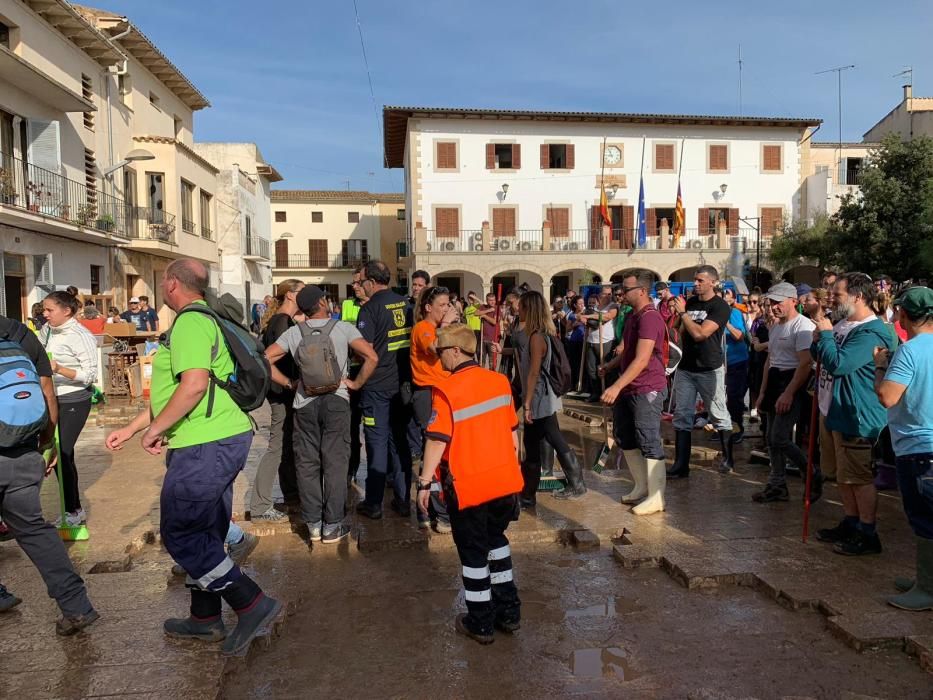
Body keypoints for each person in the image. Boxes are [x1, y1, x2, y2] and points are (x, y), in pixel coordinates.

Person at [105, 259, 280, 656]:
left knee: (182, 534)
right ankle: (204, 618)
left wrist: (154, 431)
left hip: (206, 442)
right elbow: (175, 391)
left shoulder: (190, 323)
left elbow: (194, 387)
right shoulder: (206, 320)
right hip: (217, 436)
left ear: (171, 284)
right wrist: (134, 428)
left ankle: (251, 603)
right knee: (206, 532)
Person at [415, 324, 523, 644]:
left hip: (470, 486)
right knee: (497, 542)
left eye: (441, 353)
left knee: (474, 555)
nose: (439, 360)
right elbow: (512, 433)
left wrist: (424, 483)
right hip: (504, 483)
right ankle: (509, 611)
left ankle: (481, 622)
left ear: (455, 351)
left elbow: (436, 441)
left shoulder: (447, 390)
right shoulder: (500, 382)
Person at [0, 314, 99, 633]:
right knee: (34, 529)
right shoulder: (20, 334)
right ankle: (77, 606)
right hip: (23, 448)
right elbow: (46, 393)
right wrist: (47, 444)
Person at [266, 285, 378, 543]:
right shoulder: (343, 328)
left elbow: (264, 360)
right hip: (337, 401)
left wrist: (288, 383)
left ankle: (313, 525)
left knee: (307, 463)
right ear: (323, 303)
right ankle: (333, 526)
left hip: (304, 403)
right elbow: (371, 357)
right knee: (335, 463)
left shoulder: (294, 333)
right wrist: (356, 383)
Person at [813, 273, 896, 555]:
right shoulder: (843, 324)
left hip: (856, 412)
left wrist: (824, 334)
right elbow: (821, 355)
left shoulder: (872, 332)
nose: (832, 299)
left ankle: (868, 531)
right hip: (833, 407)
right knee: (841, 475)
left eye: (838, 294)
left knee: (858, 476)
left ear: (858, 297)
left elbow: (840, 364)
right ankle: (850, 521)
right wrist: (820, 338)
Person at [494, 291, 585, 505]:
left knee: (552, 438)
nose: (519, 310)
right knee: (533, 443)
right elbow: (522, 355)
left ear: (530, 309)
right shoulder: (535, 334)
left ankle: (576, 484)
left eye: (522, 307)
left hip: (539, 397)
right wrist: (504, 349)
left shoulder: (537, 337)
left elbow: (534, 372)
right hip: (537, 396)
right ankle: (528, 494)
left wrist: (526, 405)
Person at [874, 286, 933, 610]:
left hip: (918, 448)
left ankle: (927, 588)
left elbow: (887, 396)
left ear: (906, 315)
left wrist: (881, 365)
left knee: (923, 519)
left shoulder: (910, 351)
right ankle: (924, 579)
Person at [600, 272, 669, 515]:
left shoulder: (650, 318)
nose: (621, 293)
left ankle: (657, 496)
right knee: (625, 436)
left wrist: (616, 385)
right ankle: (641, 486)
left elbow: (642, 358)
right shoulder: (631, 316)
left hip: (647, 387)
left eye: (626, 289)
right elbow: (629, 351)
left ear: (641, 291)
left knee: (648, 439)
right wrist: (611, 366)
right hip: (630, 386)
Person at [354, 261, 414, 520]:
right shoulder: (405, 304)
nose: (359, 285)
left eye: (361, 281)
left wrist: (356, 381)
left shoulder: (370, 309)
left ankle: (374, 503)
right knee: (399, 442)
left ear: (371, 282)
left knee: (376, 444)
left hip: (377, 386)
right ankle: (403, 500)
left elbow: (363, 350)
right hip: (402, 384)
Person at [667, 266, 734, 478]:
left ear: (712, 282)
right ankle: (680, 465)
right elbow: (678, 330)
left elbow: (700, 334)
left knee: (718, 414)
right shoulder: (692, 302)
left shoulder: (720, 307)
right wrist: (677, 315)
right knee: (682, 415)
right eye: (695, 280)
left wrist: (684, 313)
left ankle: (728, 459)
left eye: (700, 280)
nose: (695, 284)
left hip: (709, 368)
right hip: (686, 367)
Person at [751, 283, 816, 502]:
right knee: (771, 438)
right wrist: (762, 392)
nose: (774, 307)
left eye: (779, 302)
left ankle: (810, 472)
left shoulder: (803, 326)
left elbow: (805, 363)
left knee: (780, 436)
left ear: (793, 301)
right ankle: (777, 483)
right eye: (772, 302)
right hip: (775, 380)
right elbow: (771, 359)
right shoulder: (775, 326)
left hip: (792, 381)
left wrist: (788, 393)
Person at [39, 291, 98, 527]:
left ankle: (74, 511)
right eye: (44, 309)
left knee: (62, 452)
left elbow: (90, 375)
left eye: (49, 310)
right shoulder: (47, 331)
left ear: (67, 311)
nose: (45, 315)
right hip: (51, 397)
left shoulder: (80, 335)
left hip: (74, 399)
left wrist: (60, 369)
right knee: (54, 451)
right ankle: (71, 507)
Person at [250, 279, 304, 522]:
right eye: (302, 291)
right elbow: (267, 360)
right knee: (276, 447)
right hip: (282, 395)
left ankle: (291, 494)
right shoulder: (281, 323)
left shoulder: (284, 321)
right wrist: (289, 383)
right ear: (291, 296)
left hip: (285, 394)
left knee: (286, 445)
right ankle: (260, 506)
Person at [409, 286, 459, 531]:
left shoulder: (439, 327)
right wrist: (446, 325)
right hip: (427, 393)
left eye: (448, 304)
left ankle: (432, 509)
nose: (446, 309)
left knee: (443, 452)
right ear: (428, 307)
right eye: (441, 305)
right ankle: (433, 511)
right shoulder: (423, 329)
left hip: (444, 391)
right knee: (433, 451)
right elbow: (434, 348)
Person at [344, 266, 370, 485]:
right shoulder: (347, 305)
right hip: (353, 368)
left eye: (357, 283)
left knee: (373, 426)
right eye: (353, 283)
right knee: (352, 423)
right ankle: (351, 468)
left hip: (372, 371)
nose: (354, 286)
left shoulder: (378, 306)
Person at [578, 285, 618, 402]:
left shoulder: (613, 306)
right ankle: (595, 393)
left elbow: (607, 317)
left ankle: (607, 393)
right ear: (600, 295)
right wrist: (583, 317)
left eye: (610, 294)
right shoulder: (594, 306)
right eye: (605, 294)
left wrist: (588, 316)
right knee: (591, 369)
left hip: (606, 341)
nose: (608, 296)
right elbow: (580, 316)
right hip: (591, 340)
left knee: (606, 369)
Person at [722, 288, 749, 444]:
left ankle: (738, 429)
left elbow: (739, 336)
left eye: (727, 295)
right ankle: (723, 427)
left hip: (736, 361)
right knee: (718, 397)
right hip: (720, 362)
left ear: (732, 299)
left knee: (734, 396)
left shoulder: (734, 313)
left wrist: (726, 323)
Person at [565, 296, 586, 384]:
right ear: (575, 305)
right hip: (574, 341)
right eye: (579, 304)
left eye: (583, 303)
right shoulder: (572, 315)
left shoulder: (587, 314)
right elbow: (567, 329)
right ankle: (573, 383)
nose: (582, 305)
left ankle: (583, 384)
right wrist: (574, 324)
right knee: (574, 363)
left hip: (584, 341)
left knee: (584, 364)